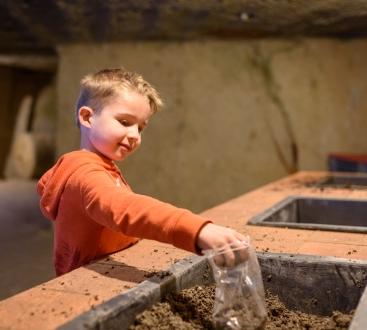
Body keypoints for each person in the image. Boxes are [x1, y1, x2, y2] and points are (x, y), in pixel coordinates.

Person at [37, 68, 247, 276]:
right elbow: (124, 208)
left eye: (140, 128)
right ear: (87, 117)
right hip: (88, 288)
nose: (134, 135)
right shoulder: (85, 176)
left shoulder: (101, 167)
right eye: (125, 122)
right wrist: (196, 229)